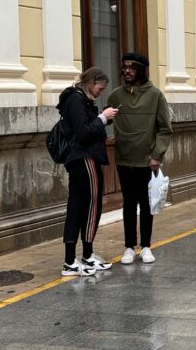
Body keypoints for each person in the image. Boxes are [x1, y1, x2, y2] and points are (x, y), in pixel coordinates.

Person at [107, 52, 173, 265]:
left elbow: (165, 129)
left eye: (132, 67)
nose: (127, 71)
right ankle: (128, 247)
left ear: (141, 70)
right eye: (124, 67)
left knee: (146, 205)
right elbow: (104, 120)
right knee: (128, 204)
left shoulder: (155, 95)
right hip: (124, 160)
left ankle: (145, 246)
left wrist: (157, 155)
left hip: (147, 161)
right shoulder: (116, 96)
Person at [58, 68, 119, 276]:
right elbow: (83, 133)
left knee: (76, 207)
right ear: (91, 82)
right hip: (84, 159)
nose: (101, 92)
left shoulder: (79, 99)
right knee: (91, 207)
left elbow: (85, 128)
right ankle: (85, 257)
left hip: (81, 158)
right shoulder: (76, 100)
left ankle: (74, 260)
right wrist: (103, 117)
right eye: (100, 88)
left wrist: (104, 118)